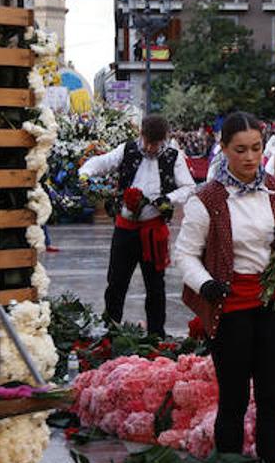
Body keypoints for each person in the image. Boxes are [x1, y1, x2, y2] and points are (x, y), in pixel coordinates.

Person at [175, 113, 275, 463]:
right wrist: (205, 283)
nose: (250, 157)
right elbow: (185, 254)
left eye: (255, 148)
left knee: (272, 399)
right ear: (223, 149)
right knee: (233, 400)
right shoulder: (206, 198)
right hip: (230, 306)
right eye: (240, 150)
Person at [80, 114, 196, 336]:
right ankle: (111, 331)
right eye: (149, 142)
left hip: (154, 232)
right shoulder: (128, 149)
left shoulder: (174, 156)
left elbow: (189, 187)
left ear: (165, 138)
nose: (152, 148)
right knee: (116, 283)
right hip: (125, 229)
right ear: (141, 134)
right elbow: (102, 162)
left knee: (155, 287)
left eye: (157, 143)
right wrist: (85, 173)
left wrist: (169, 199)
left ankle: (156, 335)